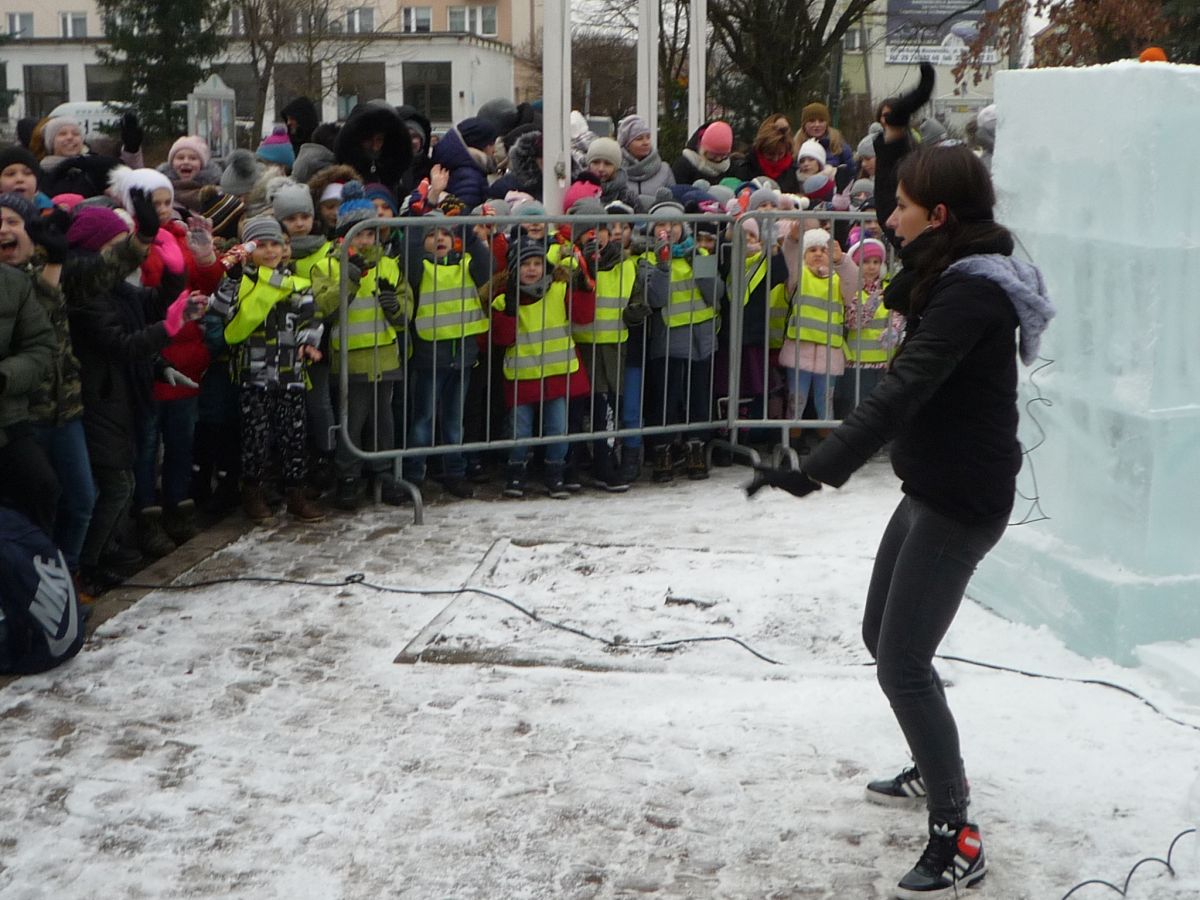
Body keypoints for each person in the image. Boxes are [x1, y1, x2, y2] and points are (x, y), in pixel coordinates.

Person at [746, 62, 1056, 898]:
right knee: (882, 637)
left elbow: (903, 390)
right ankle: (934, 758)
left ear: (939, 217)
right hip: (931, 487)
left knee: (902, 663)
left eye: (906, 206)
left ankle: (957, 834)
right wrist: (892, 137)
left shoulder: (968, 297)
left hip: (960, 501)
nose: (889, 217)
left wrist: (817, 469)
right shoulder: (951, 262)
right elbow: (902, 223)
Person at [616, 115, 674, 198]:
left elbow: (672, 200)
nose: (646, 142)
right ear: (626, 145)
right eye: (639, 139)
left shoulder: (664, 170)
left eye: (648, 137)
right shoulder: (616, 171)